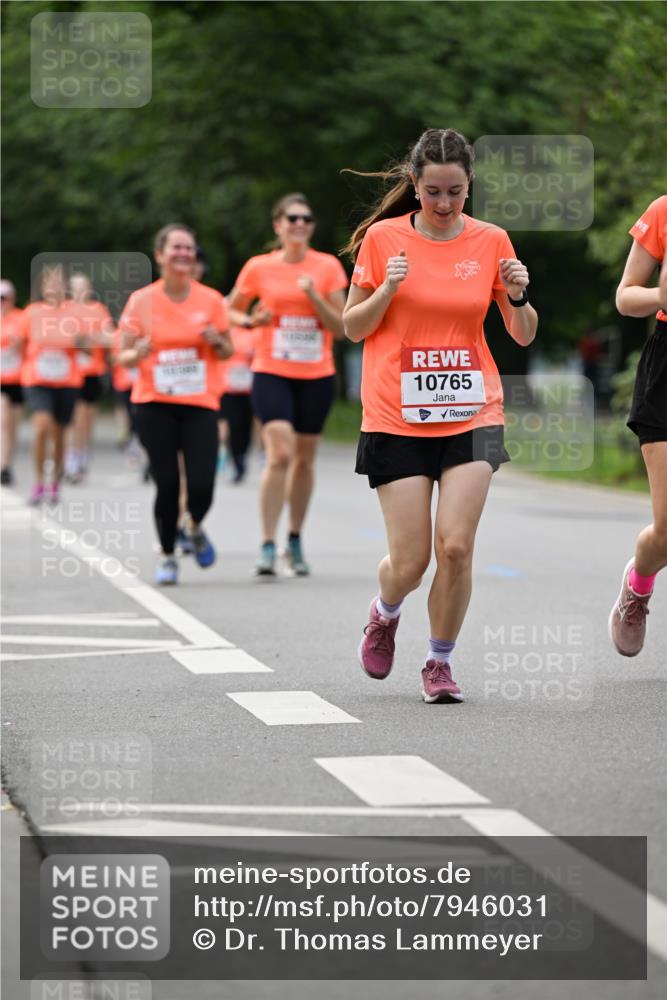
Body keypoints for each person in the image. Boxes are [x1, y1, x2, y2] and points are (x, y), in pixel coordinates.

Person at [342, 128, 537, 703]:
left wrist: (520, 297)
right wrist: (387, 290)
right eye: (433, 192)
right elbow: (354, 327)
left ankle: (439, 661)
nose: (446, 204)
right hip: (395, 414)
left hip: (473, 410)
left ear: (469, 184)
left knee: (455, 546)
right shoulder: (382, 240)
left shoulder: (492, 240)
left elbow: (522, 337)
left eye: (456, 192)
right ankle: (385, 610)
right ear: (414, 185)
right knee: (410, 561)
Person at [227, 193, 348, 576]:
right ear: (277, 225)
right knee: (279, 454)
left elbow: (342, 328)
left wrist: (313, 295)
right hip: (271, 370)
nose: (300, 224)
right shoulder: (258, 268)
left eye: (306, 219)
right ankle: (266, 543)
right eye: (292, 218)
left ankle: (293, 538)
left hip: (316, 374)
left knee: (304, 458)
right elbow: (229, 309)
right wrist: (250, 322)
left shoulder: (327, 267)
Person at [116, 223, 232, 585]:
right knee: (166, 483)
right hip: (155, 404)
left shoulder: (211, 300)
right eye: (176, 247)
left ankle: (193, 525)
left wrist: (216, 341)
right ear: (160, 255)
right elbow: (121, 357)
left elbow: (229, 350)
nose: (183, 253)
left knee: (202, 485)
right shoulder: (142, 301)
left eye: (189, 248)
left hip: (199, 403)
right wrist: (136, 352)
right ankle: (167, 555)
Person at [609, 194, 667, 657]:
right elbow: (626, 297)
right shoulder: (663, 210)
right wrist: (662, 296)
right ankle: (639, 586)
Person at [19, 264, 87, 504]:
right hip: (37, 379)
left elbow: (86, 345)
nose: (55, 287)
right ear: (43, 287)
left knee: (59, 436)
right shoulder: (32, 312)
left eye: (59, 282)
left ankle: (54, 483)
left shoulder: (75, 313)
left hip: (67, 380)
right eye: (50, 282)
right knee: (41, 427)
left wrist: (78, 341)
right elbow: (19, 343)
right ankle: (39, 482)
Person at [64, 272, 114, 482]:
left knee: (87, 417)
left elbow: (109, 336)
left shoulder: (98, 309)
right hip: (70, 372)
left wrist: (91, 339)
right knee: (74, 417)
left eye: (83, 286)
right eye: (75, 287)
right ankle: (71, 457)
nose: (79, 291)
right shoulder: (64, 309)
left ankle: (83, 452)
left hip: (93, 370)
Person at [218, 319, 258, 483]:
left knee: (246, 428)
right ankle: (234, 460)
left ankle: (242, 455)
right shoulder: (222, 335)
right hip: (227, 389)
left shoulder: (253, 335)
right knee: (230, 427)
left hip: (248, 390)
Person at [1, 280, 25, 485]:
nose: (2, 303)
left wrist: (20, 344)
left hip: (17, 378)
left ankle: (8, 464)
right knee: (3, 421)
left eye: (5, 298)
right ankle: (3, 465)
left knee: (13, 426)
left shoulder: (21, 318)